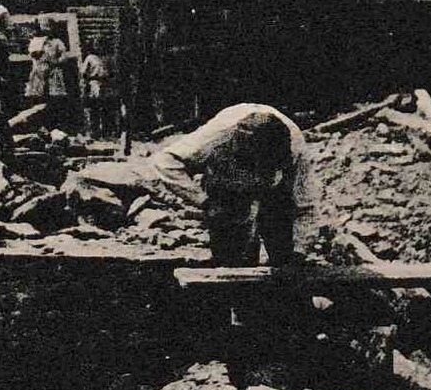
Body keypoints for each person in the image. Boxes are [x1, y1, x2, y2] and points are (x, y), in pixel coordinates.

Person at [150, 103, 312, 267]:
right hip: (227, 185)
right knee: (229, 252)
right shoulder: (216, 137)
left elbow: (305, 206)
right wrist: (204, 201)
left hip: (274, 190)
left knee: (284, 251)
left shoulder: (295, 150)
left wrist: (299, 252)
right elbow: (166, 162)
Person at [24, 16, 75, 121]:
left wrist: (56, 62)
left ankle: (55, 120)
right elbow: (32, 55)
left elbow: (63, 56)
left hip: (54, 71)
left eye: (47, 26)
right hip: (39, 71)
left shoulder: (57, 42)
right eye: (43, 26)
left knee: (55, 97)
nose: (45, 29)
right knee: (38, 96)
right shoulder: (36, 41)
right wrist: (37, 62)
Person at [79, 49, 110, 136]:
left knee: (104, 107)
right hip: (94, 83)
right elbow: (83, 72)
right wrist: (88, 82)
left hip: (105, 84)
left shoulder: (106, 57)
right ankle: (93, 130)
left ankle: (105, 130)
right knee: (94, 107)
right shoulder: (90, 58)